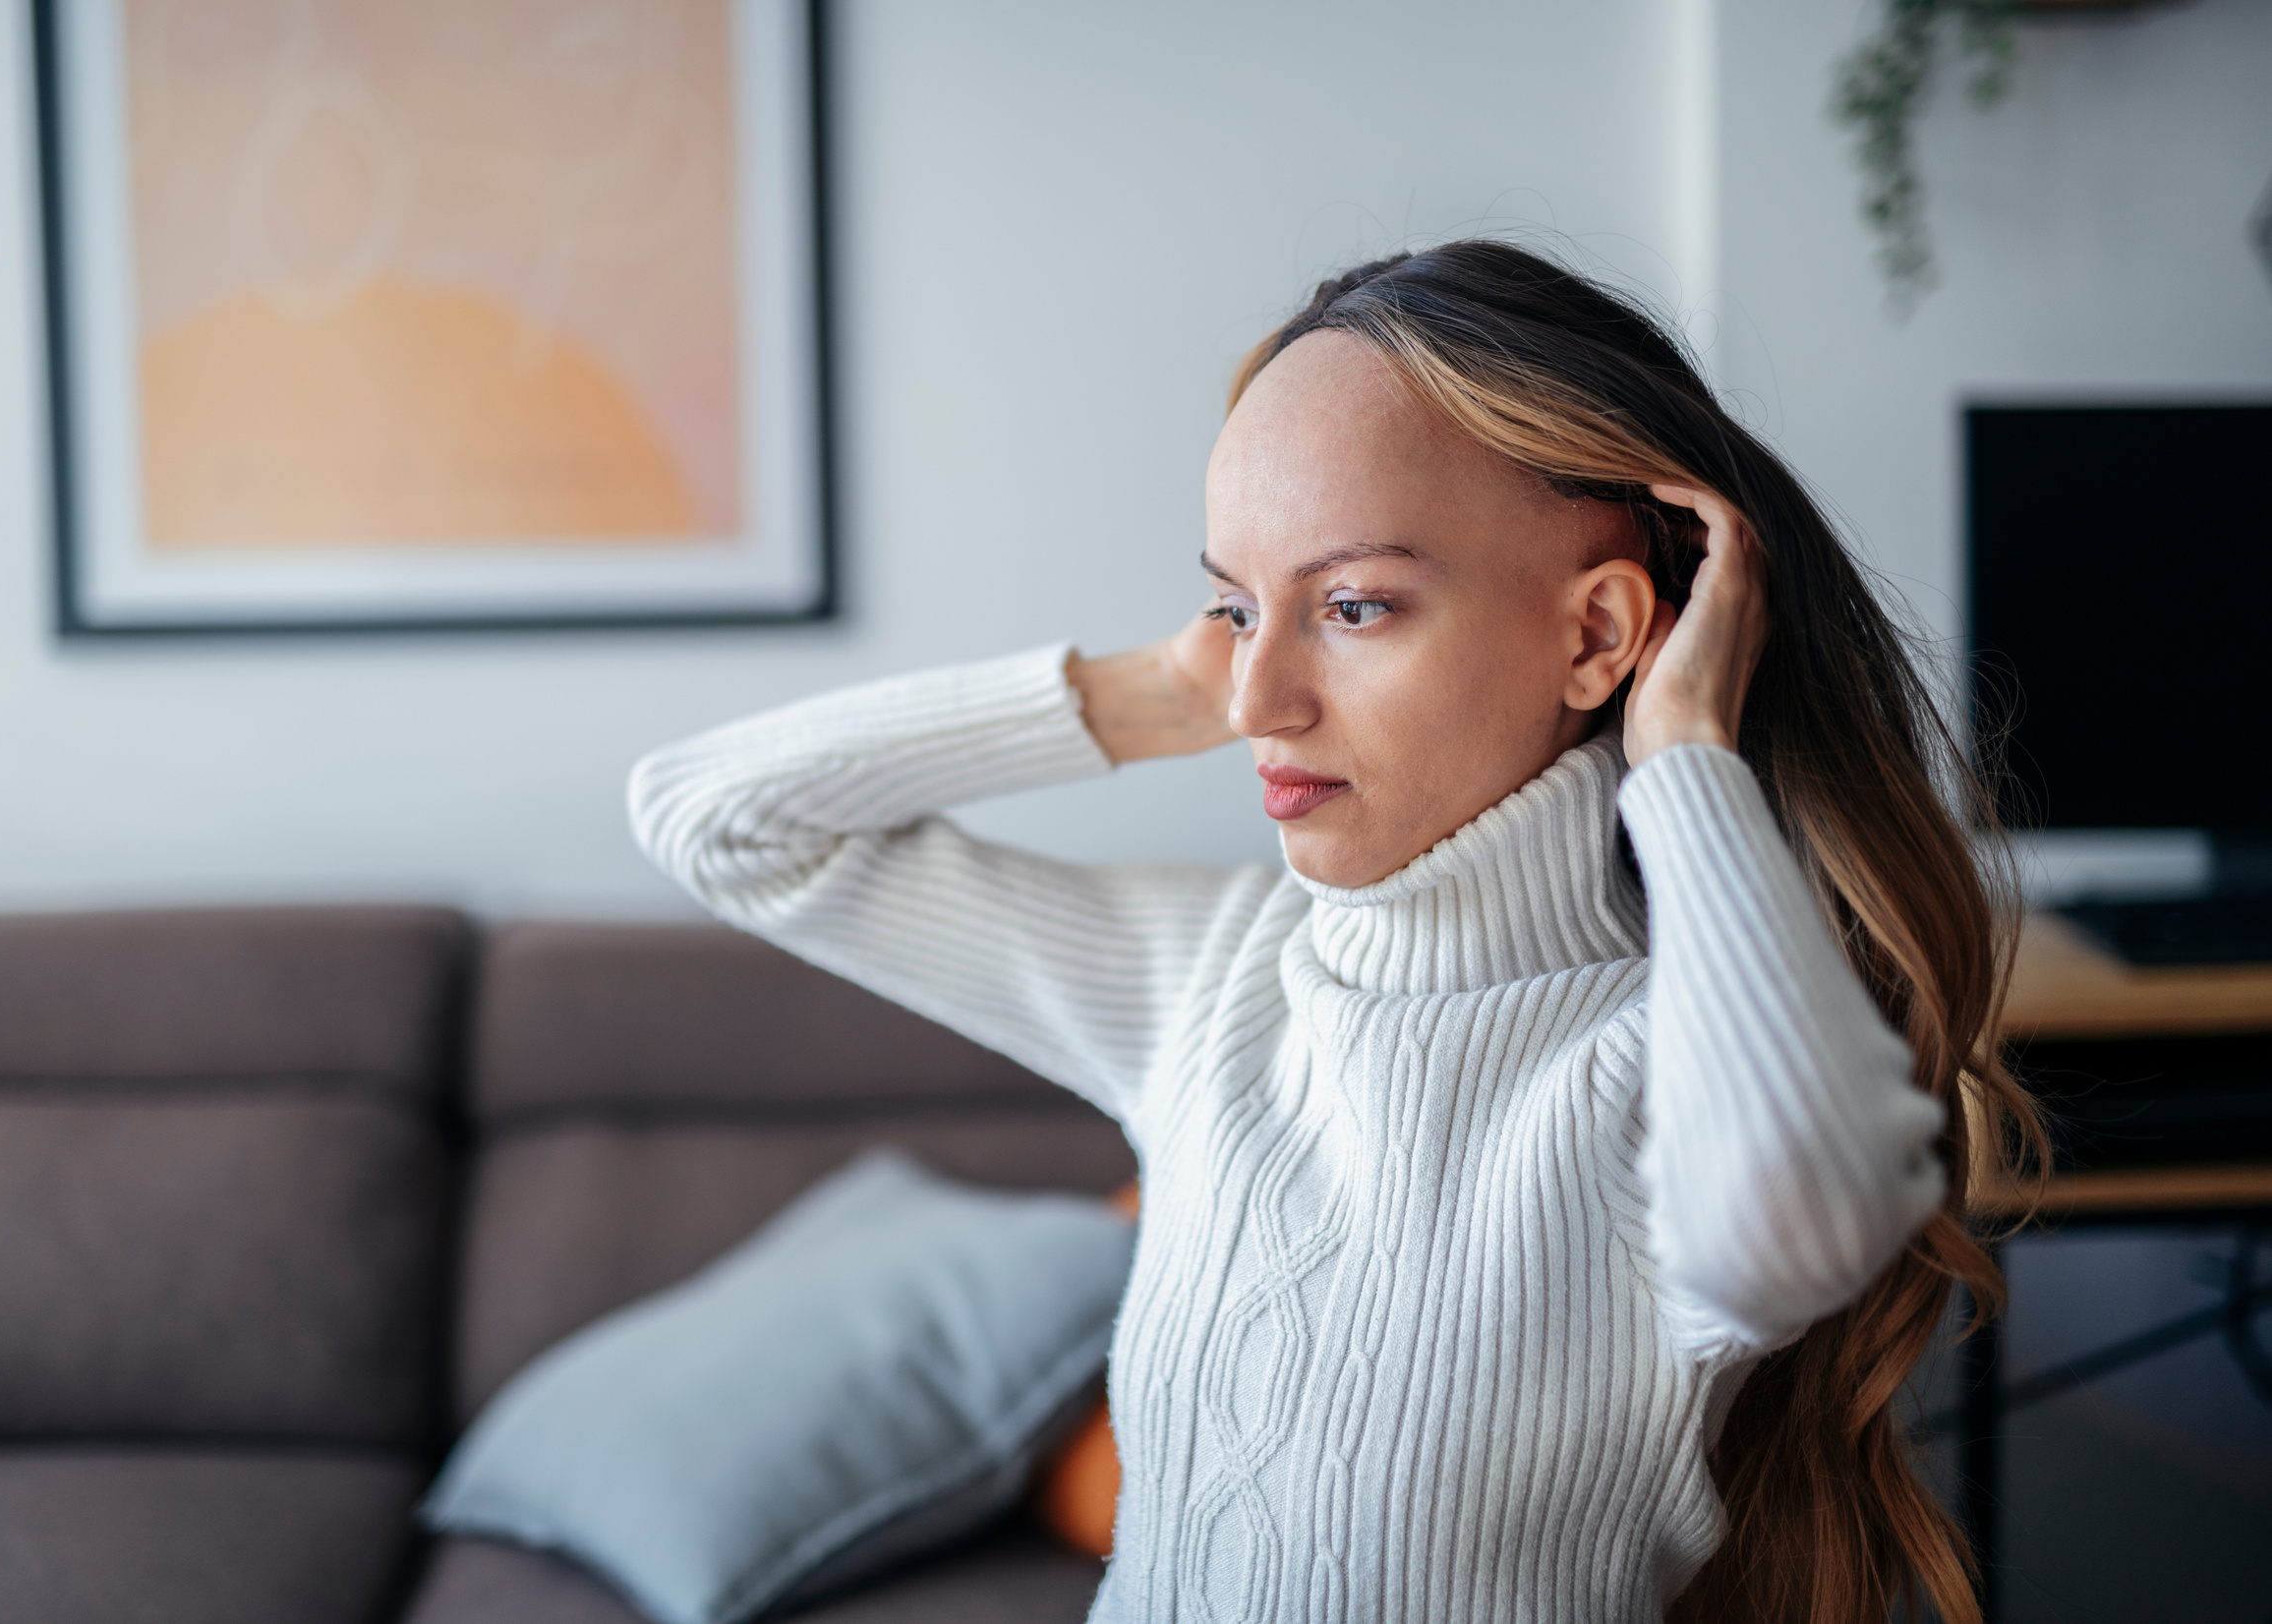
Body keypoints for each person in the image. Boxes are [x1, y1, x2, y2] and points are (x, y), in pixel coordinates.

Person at [629, 241, 2043, 1624]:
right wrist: (1145, 696)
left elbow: (1800, 1215)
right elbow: (714, 821)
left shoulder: (1655, 1064)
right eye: (1236, 605)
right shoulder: (1216, 983)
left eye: (1353, 605)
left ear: (1600, 637)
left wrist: (1683, 758)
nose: (1257, 702)